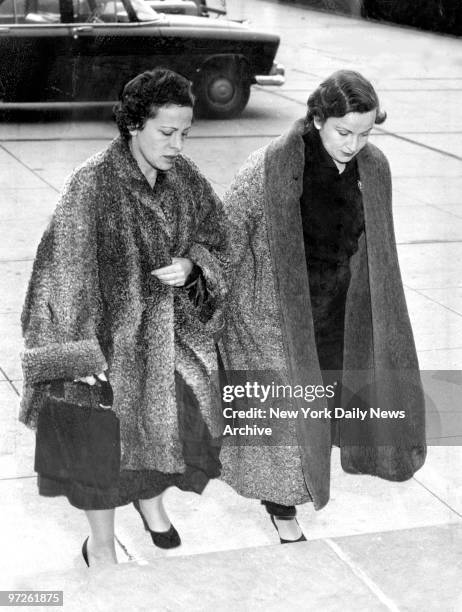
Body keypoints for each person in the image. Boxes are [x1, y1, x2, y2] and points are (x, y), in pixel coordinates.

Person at [20, 68, 228, 566]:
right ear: (134, 124)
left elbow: (219, 235)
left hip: (166, 338)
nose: (178, 144)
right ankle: (101, 541)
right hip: (104, 343)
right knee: (99, 441)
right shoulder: (91, 183)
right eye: (167, 132)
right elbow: (60, 269)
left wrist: (193, 265)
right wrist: (75, 353)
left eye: (186, 133)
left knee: (173, 419)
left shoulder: (185, 176)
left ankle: (150, 499)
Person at [218, 70, 426, 543]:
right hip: (275, 314)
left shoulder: (374, 168)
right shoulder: (268, 167)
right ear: (317, 119)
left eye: (365, 133)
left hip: (338, 310)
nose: (354, 144)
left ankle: (303, 485)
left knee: (329, 411)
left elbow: (378, 249)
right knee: (290, 421)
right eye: (343, 132)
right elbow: (223, 238)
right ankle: (284, 507)